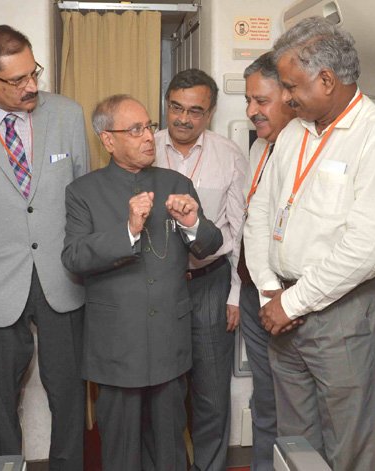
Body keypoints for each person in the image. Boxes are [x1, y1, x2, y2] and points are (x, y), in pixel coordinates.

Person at [244, 16, 375, 470]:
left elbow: (369, 247)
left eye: (291, 86)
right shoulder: (296, 130)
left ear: (326, 79)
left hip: (341, 311)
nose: (285, 97)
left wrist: (292, 302)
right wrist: (267, 288)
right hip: (282, 303)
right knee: (295, 438)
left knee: (349, 439)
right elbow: (260, 212)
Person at [0, 25, 87, 469]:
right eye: (17, 80)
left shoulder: (66, 115)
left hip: (61, 276)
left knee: (68, 391)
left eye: (34, 73)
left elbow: (82, 195)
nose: (31, 87)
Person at [62, 94, 223, 471]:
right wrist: (129, 230)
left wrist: (193, 224)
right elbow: (74, 257)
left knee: (169, 446)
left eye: (149, 126)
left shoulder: (176, 182)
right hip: (117, 346)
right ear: (108, 140)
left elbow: (211, 244)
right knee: (120, 452)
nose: (149, 136)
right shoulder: (83, 192)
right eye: (135, 130)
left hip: (170, 339)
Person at [154, 68, 248, 471]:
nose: (183, 118)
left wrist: (235, 294)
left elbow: (240, 231)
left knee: (210, 393)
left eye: (195, 111)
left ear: (208, 113)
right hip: (157, 287)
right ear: (167, 105)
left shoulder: (229, 155)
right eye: (176, 107)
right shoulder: (146, 148)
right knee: (163, 392)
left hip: (211, 285)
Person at [240, 51, 296, 471]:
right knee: (264, 397)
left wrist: (276, 293)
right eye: (248, 100)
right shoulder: (260, 146)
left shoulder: (303, 149)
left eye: (261, 100)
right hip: (254, 290)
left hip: (287, 295)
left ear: (290, 95)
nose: (251, 111)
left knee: (291, 403)